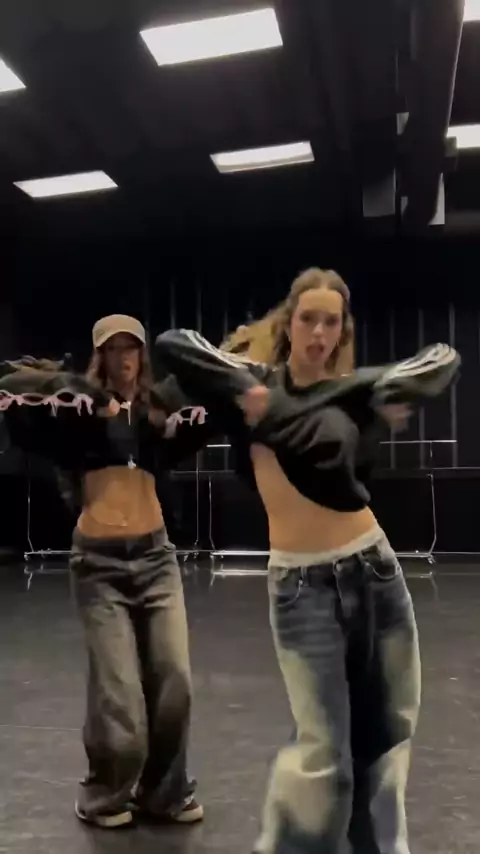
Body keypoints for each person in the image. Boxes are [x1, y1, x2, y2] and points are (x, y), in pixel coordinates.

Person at [154, 268, 460, 854]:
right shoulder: (252, 382)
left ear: (342, 331)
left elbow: (442, 360)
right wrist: (244, 389)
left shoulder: (355, 393)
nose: (319, 332)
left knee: (387, 736)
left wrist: (392, 390)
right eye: (308, 319)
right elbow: (172, 345)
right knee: (322, 754)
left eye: (331, 322)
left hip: (374, 570)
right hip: (301, 587)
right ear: (288, 323)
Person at [0, 315, 212, 830]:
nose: (123, 358)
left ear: (141, 354)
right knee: (120, 696)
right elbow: (12, 386)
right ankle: (102, 795)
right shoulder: (77, 411)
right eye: (112, 349)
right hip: (99, 565)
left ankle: (164, 794)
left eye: (130, 348)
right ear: (100, 356)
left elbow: (209, 395)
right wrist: (81, 393)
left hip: (156, 560)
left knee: (175, 683)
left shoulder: (156, 409)